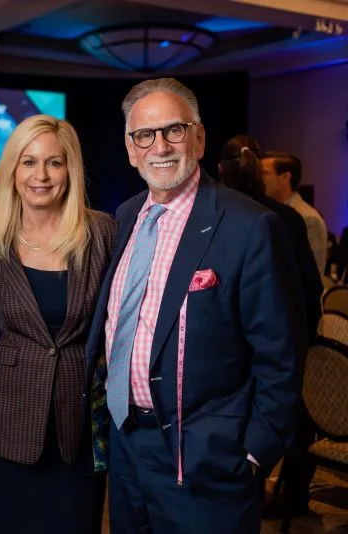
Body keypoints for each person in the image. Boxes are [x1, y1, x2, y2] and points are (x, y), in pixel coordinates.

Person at [86, 78, 305, 533]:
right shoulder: (124, 218)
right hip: (127, 449)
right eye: (144, 135)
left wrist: (253, 452)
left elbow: (280, 355)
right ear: (130, 149)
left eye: (174, 130)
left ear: (200, 138)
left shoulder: (249, 226)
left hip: (208, 461)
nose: (160, 146)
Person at [0, 114, 116, 533]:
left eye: (54, 162)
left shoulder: (102, 232)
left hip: (79, 428)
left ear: (71, 169)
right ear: (12, 170)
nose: (41, 175)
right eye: (29, 162)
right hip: (9, 424)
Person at [218, 135, 323, 341]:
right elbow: (310, 287)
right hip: (280, 337)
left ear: (220, 169)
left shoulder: (213, 219)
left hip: (230, 342)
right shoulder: (287, 217)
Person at [261, 151, 328, 275]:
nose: (259, 179)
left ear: (285, 177)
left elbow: (313, 274)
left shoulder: (308, 218)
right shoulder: (268, 213)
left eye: (264, 173)